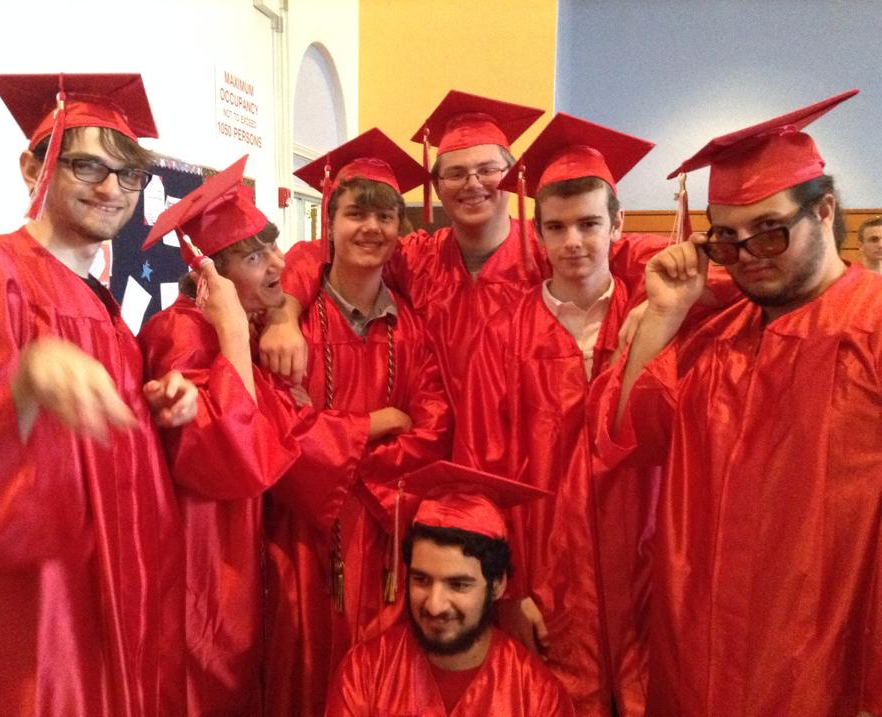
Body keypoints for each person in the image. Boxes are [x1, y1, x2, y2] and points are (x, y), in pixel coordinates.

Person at [593, 89, 882, 716]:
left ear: (825, 209)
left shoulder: (872, 328)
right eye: (726, 239)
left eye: (769, 233)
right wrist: (664, 315)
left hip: (820, 672)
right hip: (698, 662)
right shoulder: (714, 337)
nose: (747, 255)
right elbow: (630, 436)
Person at [0, 73, 195, 715]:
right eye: (86, 166)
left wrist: (159, 407)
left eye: (127, 176)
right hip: (33, 618)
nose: (110, 189)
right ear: (32, 168)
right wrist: (24, 382)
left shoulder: (102, 303)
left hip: (113, 595)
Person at [138, 155, 412, 715]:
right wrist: (377, 421)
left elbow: (281, 427)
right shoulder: (183, 335)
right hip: (202, 560)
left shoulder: (246, 325)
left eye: (273, 249)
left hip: (240, 554)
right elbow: (234, 452)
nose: (279, 264)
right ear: (209, 273)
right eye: (256, 255)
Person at [262, 91, 666, 440]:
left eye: (488, 170)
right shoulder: (418, 259)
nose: (472, 183)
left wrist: (658, 300)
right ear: (438, 187)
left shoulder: (550, 249)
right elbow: (325, 252)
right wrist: (284, 314)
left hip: (530, 453)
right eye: (455, 173)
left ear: (511, 178)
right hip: (435, 453)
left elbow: (647, 256)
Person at [456, 112, 662, 717]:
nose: (574, 242)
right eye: (558, 227)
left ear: (618, 224)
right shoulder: (502, 333)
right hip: (546, 580)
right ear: (537, 234)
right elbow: (480, 470)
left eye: (590, 224)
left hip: (644, 567)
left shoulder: (653, 318)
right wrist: (508, 591)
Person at [263, 128, 453, 717]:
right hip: (303, 541)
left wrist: (354, 466)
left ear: (401, 228)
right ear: (329, 223)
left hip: (388, 536)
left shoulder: (413, 328)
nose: (371, 228)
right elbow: (280, 432)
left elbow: (434, 425)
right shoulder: (291, 332)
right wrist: (373, 424)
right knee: (305, 675)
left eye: (385, 216)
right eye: (355, 214)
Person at [325, 460, 575, 717]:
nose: (435, 604)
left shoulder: (536, 695)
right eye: (421, 580)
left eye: (458, 585)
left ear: (498, 585)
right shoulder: (365, 672)